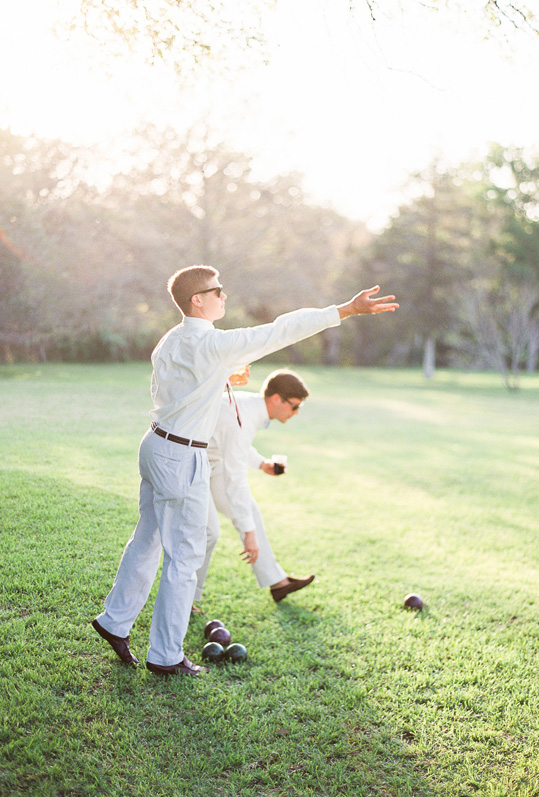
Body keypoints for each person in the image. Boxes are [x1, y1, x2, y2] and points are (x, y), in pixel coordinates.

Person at [92, 265, 397, 677]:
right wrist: (345, 310)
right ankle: (164, 656)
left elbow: (183, 386)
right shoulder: (214, 345)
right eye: (216, 291)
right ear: (197, 300)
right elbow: (280, 330)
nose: (224, 296)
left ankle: (114, 621)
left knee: (147, 539)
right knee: (185, 555)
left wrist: (218, 376)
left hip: (156, 445)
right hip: (182, 456)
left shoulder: (171, 339)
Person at [193, 369, 315, 611]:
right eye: (294, 406)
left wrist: (261, 463)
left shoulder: (251, 409)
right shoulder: (244, 416)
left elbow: (234, 445)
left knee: (250, 510)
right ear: (276, 399)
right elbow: (235, 478)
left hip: (213, 461)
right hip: (192, 463)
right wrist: (248, 534)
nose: (296, 412)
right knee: (209, 532)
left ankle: (277, 582)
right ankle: (186, 599)